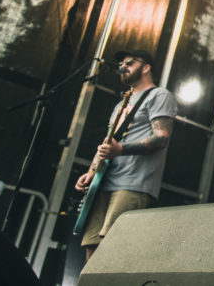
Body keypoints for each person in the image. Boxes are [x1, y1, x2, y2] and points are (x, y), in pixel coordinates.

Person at [74, 49, 177, 261]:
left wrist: (121, 150)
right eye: (122, 63)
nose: (123, 67)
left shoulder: (159, 96)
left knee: (112, 245)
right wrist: (91, 171)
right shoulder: (121, 104)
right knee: (92, 245)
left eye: (129, 62)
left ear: (146, 67)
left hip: (133, 183)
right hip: (105, 181)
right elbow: (108, 141)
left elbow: (162, 137)